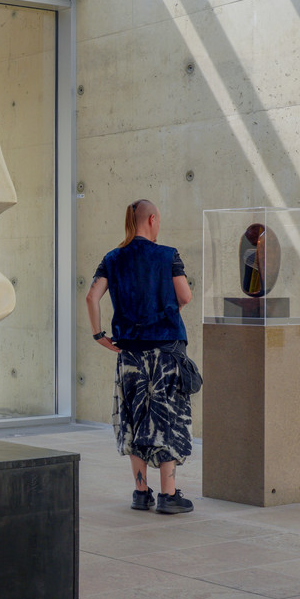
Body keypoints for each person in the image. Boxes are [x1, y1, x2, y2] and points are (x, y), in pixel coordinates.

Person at [85, 199, 194, 514]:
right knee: (167, 418)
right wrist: (167, 313)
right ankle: (169, 495)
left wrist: (99, 336)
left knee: (134, 418)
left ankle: (140, 492)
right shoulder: (167, 255)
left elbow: (92, 296)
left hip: (129, 352)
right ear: (153, 219)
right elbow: (184, 295)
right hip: (165, 352)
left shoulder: (113, 258)